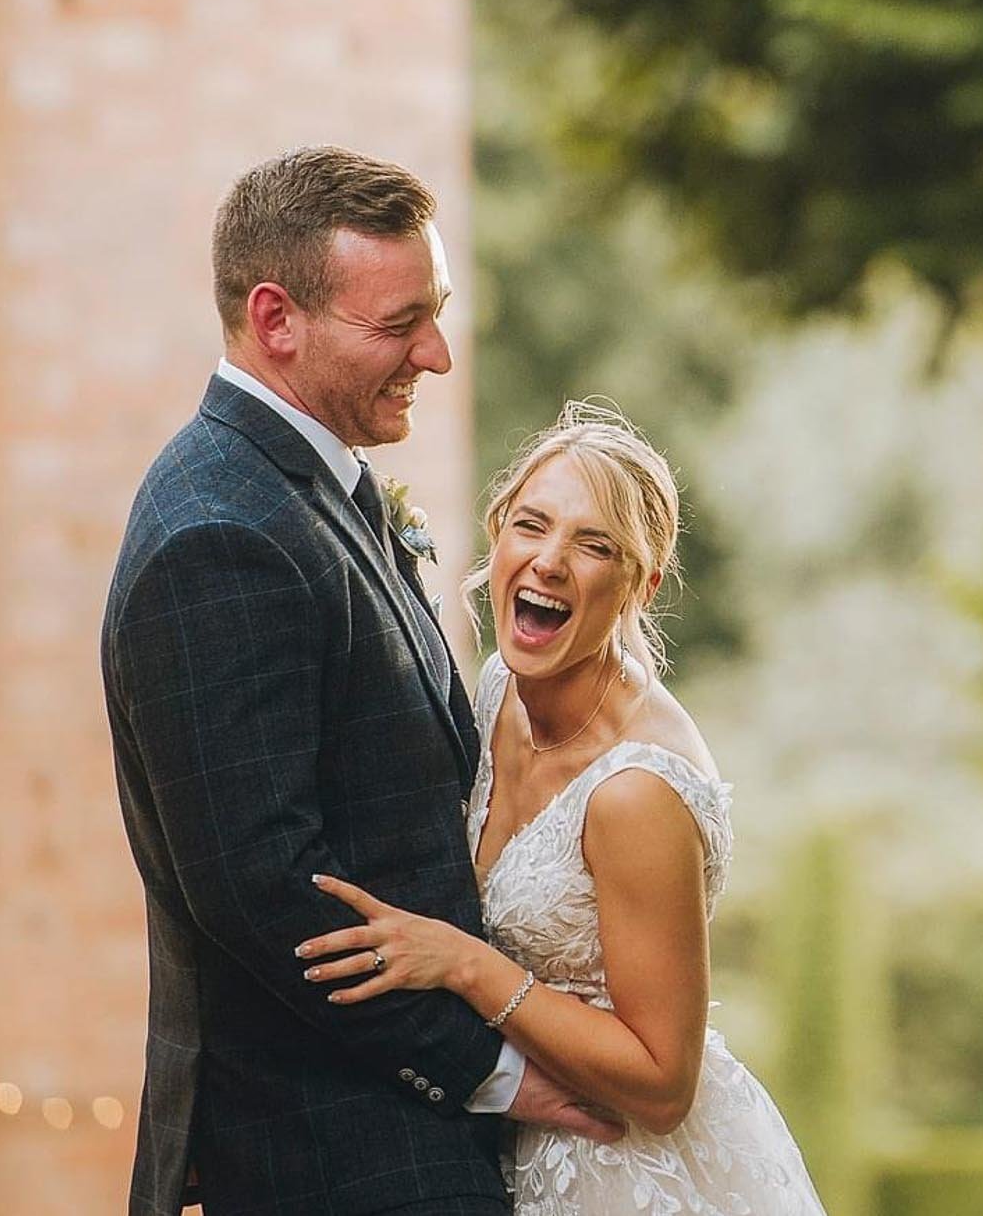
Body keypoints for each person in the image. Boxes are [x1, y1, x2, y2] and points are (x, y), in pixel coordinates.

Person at [102, 148, 615, 1216]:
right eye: (397, 325)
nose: (433, 354)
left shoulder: (313, 484)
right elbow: (269, 892)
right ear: (276, 318)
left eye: (438, 313)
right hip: (334, 1155)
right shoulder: (220, 533)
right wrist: (503, 1070)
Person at [293, 402, 829, 1216]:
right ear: (498, 533)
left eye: (593, 545)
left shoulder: (635, 790)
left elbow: (662, 1084)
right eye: (532, 525)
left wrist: (470, 966)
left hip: (623, 1169)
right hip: (504, 1143)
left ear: (640, 585)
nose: (549, 561)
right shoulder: (498, 689)